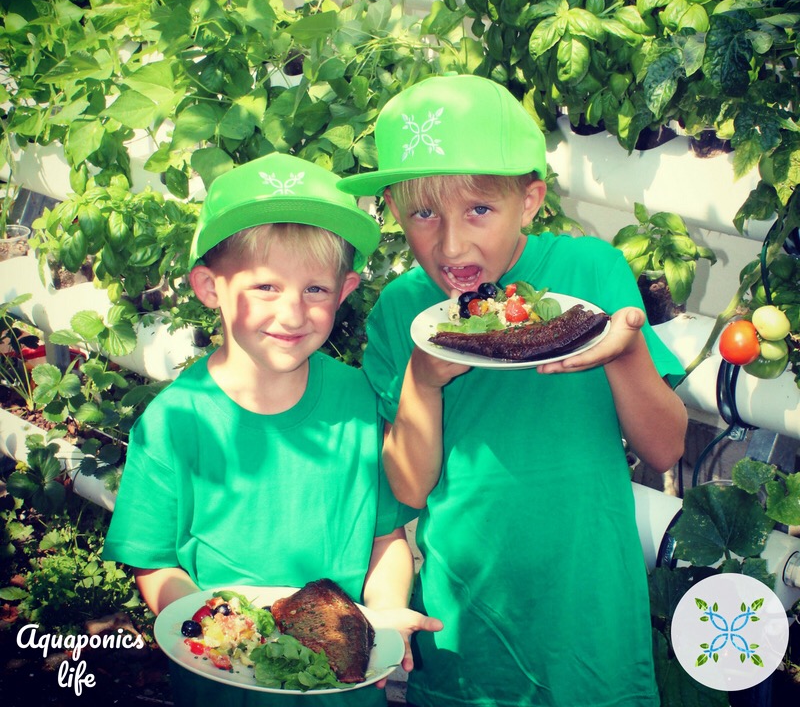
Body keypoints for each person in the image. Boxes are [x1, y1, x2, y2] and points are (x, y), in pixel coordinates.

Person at [336, 74, 688, 707]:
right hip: (465, 616)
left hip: (589, 612)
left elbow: (664, 449)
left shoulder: (589, 273)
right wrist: (421, 377)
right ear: (393, 212)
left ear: (529, 201)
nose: (451, 244)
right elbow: (408, 488)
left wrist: (627, 351)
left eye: (479, 210)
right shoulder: (402, 310)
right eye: (423, 214)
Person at [103, 152, 441, 707]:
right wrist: (222, 631)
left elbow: (387, 538)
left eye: (315, 290)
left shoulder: (356, 400)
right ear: (211, 288)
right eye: (265, 287)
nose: (291, 314)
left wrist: (381, 617)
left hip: (342, 689)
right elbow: (153, 560)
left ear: (346, 288)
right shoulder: (174, 422)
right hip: (223, 684)